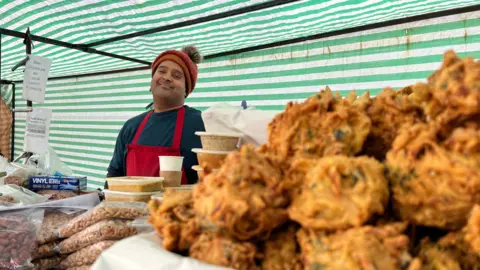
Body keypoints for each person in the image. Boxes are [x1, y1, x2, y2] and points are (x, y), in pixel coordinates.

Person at [106, 46, 205, 186]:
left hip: (180, 207)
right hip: (131, 208)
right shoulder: (131, 126)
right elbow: (115, 175)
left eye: (176, 76)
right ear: (152, 79)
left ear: (186, 90)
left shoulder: (201, 124)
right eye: (162, 71)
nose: (167, 77)